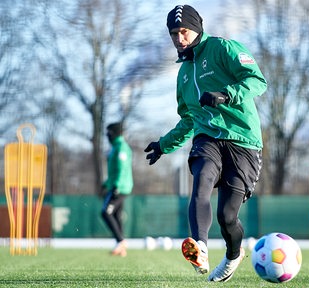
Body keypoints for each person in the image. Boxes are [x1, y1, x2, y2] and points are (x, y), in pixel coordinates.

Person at [144, 4, 267, 282]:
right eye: (174, 33)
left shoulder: (223, 48)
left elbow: (257, 80)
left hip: (243, 140)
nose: (179, 38)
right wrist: (164, 145)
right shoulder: (183, 75)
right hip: (207, 139)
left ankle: (233, 255)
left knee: (227, 216)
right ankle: (199, 246)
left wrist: (226, 94)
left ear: (197, 29)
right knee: (202, 178)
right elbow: (189, 120)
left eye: (184, 31)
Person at [101, 122, 133, 257]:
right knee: (116, 215)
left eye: (109, 132)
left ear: (114, 133)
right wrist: (106, 183)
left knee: (106, 213)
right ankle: (121, 247)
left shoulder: (121, 147)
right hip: (116, 185)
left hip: (120, 187)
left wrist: (116, 186)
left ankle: (121, 241)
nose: (107, 135)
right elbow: (113, 171)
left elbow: (121, 169)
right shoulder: (115, 147)